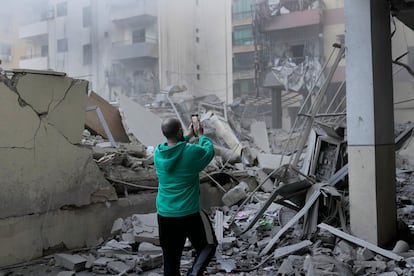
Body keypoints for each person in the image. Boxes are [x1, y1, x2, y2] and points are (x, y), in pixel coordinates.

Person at [154, 117, 217, 276]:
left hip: (164, 213)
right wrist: (201, 135)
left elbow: (175, 147)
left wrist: (187, 136)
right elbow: (208, 151)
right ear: (180, 131)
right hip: (188, 212)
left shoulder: (158, 153)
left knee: (171, 258)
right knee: (208, 245)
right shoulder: (191, 152)